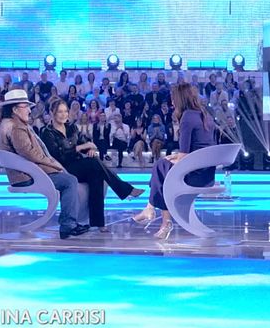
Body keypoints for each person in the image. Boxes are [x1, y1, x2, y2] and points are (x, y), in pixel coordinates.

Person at [0, 90, 89, 239]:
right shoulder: (17, 128)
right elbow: (29, 154)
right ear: (15, 110)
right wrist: (53, 164)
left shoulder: (9, 124)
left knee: (68, 177)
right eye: (25, 107)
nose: (29, 110)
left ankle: (72, 221)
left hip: (26, 173)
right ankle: (68, 225)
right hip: (27, 176)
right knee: (69, 181)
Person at [41, 100, 144, 230]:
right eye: (59, 112)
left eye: (65, 111)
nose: (63, 115)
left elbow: (84, 141)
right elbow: (58, 154)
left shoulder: (71, 127)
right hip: (62, 168)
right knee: (94, 163)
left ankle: (98, 223)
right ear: (52, 113)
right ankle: (125, 189)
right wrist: (82, 147)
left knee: (97, 174)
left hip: (78, 164)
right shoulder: (47, 132)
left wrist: (89, 149)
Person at [133, 83, 216, 239]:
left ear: (180, 99)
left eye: (173, 98)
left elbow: (184, 155)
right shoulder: (205, 114)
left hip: (194, 174)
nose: (172, 102)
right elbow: (198, 148)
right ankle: (154, 213)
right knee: (163, 167)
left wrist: (176, 157)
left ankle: (155, 213)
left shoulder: (187, 117)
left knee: (160, 168)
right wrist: (174, 157)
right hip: (206, 173)